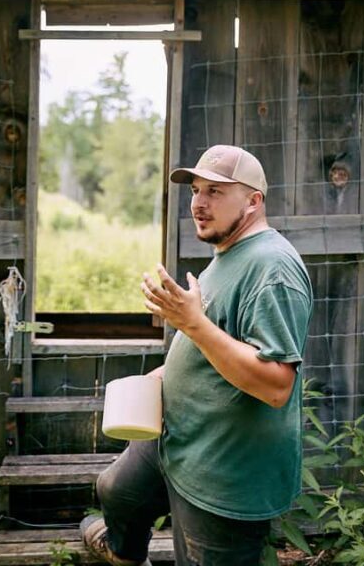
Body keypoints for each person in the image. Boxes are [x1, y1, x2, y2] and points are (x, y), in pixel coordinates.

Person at [81, 144, 314, 566]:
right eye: (196, 190)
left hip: (224, 469)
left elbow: (277, 385)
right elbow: (216, 340)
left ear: (253, 201)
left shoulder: (272, 268)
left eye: (215, 192)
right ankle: (123, 551)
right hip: (178, 438)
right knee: (116, 490)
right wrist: (164, 374)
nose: (198, 204)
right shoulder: (230, 254)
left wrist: (192, 324)